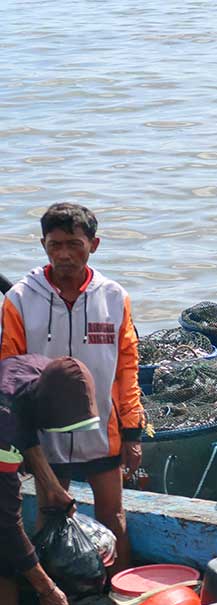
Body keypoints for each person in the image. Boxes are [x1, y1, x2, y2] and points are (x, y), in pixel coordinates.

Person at [1, 203, 143, 574]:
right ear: (43, 244)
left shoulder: (114, 297)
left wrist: (132, 430)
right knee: (48, 516)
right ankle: (51, 599)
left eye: (74, 245)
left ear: (93, 244)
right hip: (43, 434)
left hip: (102, 428)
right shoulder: (19, 298)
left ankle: (118, 594)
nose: (64, 254)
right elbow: (9, 373)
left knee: (114, 516)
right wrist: (21, 438)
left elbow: (127, 367)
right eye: (54, 245)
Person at [1, 355, 98, 605]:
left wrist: (53, 487)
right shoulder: (4, 430)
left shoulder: (37, 371)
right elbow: (5, 522)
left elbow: (26, 422)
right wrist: (47, 589)